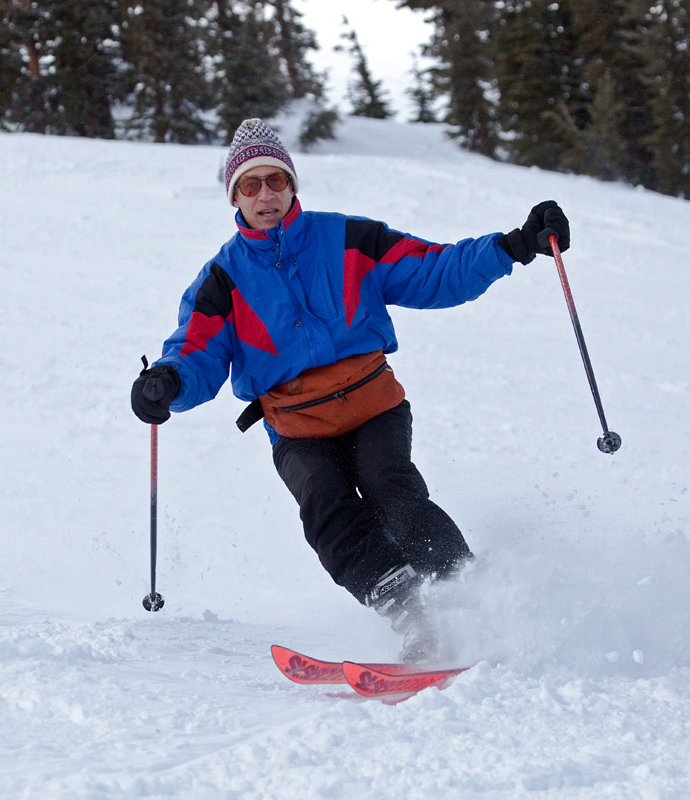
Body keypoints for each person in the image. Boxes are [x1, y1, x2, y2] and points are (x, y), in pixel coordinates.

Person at [132, 118, 570, 662]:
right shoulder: (222, 280)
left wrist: (514, 245)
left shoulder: (348, 239)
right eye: (251, 184)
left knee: (390, 490)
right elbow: (196, 351)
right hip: (298, 427)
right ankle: (414, 617)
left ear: (292, 185)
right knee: (327, 509)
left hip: (372, 405)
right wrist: (168, 382)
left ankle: (472, 597)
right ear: (234, 197)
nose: (266, 194)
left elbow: (434, 270)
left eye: (276, 180)